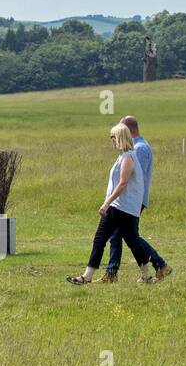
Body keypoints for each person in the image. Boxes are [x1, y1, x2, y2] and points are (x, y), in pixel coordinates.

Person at [67, 123, 158, 285]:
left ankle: (87, 276)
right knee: (132, 241)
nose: (112, 141)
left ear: (121, 138)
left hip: (119, 207)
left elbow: (123, 183)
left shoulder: (128, 157)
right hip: (124, 207)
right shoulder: (125, 156)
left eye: (113, 137)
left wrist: (106, 203)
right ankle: (147, 276)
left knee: (100, 239)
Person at [102, 115, 171, 282]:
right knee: (126, 236)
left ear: (129, 131)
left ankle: (158, 265)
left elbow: (131, 179)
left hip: (131, 201)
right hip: (129, 201)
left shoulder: (138, 149)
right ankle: (155, 266)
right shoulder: (138, 147)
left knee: (124, 236)